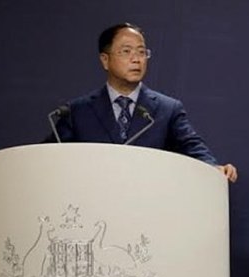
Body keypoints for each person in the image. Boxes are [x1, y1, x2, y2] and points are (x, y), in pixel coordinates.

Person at [47, 23, 237, 182]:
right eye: (126, 51)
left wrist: (214, 168)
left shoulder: (167, 109)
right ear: (105, 60)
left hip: (147, 208)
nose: (136, 59)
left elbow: (192, 147)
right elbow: (46, 158)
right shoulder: (77, 111)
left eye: (141, 52)